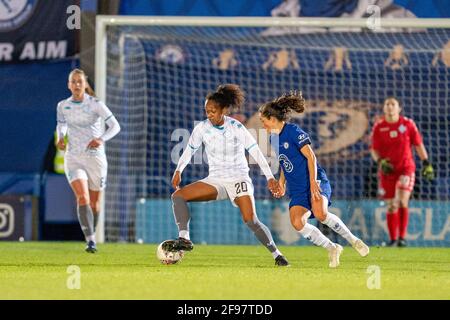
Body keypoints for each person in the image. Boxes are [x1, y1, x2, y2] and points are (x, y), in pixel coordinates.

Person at [165, 84, 289, 266]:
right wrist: (178, 170)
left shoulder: (236, 127)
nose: (209, 115)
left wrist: (270, 177)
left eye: (213, 111)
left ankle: (277, 254)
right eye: (206, 111)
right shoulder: (201, 128)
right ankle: (184, 239)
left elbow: (255, 152)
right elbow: (190, 150)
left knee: (251, 220)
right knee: (178, 196)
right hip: (216, 180)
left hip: (239, 179)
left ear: (223, 110)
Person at [259, 91, 369, 268]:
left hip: (314, 180)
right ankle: (332, 248)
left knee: (320, 214)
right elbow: (284, 162)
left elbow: (311, 157)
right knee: (297, 223)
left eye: (264, 122)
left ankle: (353, 240)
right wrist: (281, 183)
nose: (263, 126)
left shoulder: (294, 131)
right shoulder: (273, 138)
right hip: (297, 189)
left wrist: (313, 182)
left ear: (272, 119)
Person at [56, 69, 121, 253]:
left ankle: (92, 234)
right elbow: (61, 124)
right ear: (69, 85)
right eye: (73, 82)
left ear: (85, 84)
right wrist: (61, 137)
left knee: (94, 203)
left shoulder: (95, 104)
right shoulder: (62, 106)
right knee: (82, 197)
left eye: (79, 82)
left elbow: (115, 126)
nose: (76, 85)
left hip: (95, 159)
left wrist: (101, 139)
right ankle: (90, 240)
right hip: (74, 157)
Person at [370, 97, 434, 247]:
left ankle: (402, 238)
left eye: (393, 104)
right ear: (384, 108)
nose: (390, 107)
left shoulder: (408, 124)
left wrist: (426, 162)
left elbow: (418, 144)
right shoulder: (379, 127)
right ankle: (393, 240)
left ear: (399, 108)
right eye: (387, 104)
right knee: (391, 205)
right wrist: (380, 162)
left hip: (406, 168)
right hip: (388, 171)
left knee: (402, 199)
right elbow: (374, 149)